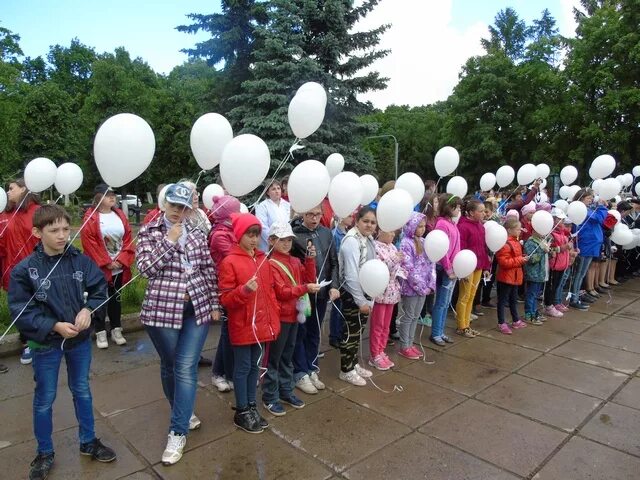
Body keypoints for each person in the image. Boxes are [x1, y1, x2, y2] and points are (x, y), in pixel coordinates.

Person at [9, 205, 116, 480]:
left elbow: (99, 288)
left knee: (81, 389)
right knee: (45, 399)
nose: (61, 235)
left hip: (79, 342)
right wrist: (53, 325)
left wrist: (88, 310)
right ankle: (45, 452)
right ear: (37, 232)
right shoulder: (25, 270)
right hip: (45, 345)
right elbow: (21, 309)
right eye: (53, 230)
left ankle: (88, 440)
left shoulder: (79, 260)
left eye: (66, 229)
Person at [136, 183, 220, 465]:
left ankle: (177, 431)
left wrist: (215, 304)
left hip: (196, 307)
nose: (178, 212)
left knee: (185, 367)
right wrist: (169, 241)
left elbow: (208, 268)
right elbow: (146, 268)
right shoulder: (149, 231)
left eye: (184, 208)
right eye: (174, 206)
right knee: (170, 365)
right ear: (164, 204)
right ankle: (182, 411)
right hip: (162, 312)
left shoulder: (196, 233)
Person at [218, 213, 280, 434]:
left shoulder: (263, 259)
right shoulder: (230, 261)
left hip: (262, 324)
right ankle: (242, 410)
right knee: (243, 367)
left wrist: (275, 315)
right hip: (243, 324)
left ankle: (251, 406)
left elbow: (270, 292)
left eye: (256, 234)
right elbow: (225, 299)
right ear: (239, 235)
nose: (254, 239)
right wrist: (243, 291)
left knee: (255, 366)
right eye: (249, 234)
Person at [262, 222, 319, 416]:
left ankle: (285, 391)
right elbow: (282, 292)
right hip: (280, 317)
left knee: (288, 355)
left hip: (294, 315)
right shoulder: (270, 263)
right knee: (274, 357)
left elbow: (308, 279)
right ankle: (270, 396)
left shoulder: (294, 261)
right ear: (271, 241)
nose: (286, 243)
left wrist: (310, 260)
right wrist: (305, 289)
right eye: (282, 240)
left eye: (289, 240)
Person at [290, 204, 340, 394]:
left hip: (322, 291)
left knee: (315, 331)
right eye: (310, 213)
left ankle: (312, 368)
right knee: (300, 332)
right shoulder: (295, 236)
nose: (314, 218)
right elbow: (293, 266)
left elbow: (334, 262)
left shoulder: (327, 233)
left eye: (318, 214)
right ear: (303, 213)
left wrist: (334, 286)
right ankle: (300, 372)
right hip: (303, 294)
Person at [80, 184, 135, 349]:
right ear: (98, 197)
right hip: (100, 268)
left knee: (115, 299)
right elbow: (89, 243)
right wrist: (106, 262)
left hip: (118, 266)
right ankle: (100, 331)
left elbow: (128, 238)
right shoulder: (91, 217)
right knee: (98, 299)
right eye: (107, 195)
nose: (112, 197)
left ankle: (116, 329)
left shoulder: (119, 215)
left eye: (113, 194)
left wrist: (121, 260)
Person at [0, 178, 40, 365]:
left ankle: (39, 341)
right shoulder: (3, 214)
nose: (8, 192)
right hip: (11, 269)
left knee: (39, 306)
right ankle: (26, 342)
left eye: (11, 188)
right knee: (19, 308)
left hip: (36, 269)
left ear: (24, 189)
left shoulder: (36, 212)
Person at [337, 206, 377, 386]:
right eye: (365, 221)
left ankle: (353, 364)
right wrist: (360, 300)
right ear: (357, 221)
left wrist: (371, 297)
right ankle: (346, 370)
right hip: (352, 294)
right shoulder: (352, 241)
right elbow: (351, 275)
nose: (369, 225)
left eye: (373, 222)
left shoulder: (368, 240)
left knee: (358, 331)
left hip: (365, 293)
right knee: (350, 332)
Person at [208, 195, 242, 393]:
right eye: (235, 210)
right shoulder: (221, 234)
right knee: (229, 333)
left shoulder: (231, 230)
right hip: (226, 287)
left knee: (229, 332)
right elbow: (236, 256)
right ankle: (225, 373)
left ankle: (220, 372)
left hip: (234, 284)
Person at [397, 213, 436, 360]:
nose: (422, 229)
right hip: (411, 288)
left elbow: (431, 262)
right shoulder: (406, 243)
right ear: (411, 226)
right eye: (419, 226)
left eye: (424, 226)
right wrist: (419, 286)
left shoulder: (425, 241)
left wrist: (430, 284)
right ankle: (404, 345)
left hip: (424, 287)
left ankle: (410, 343)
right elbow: (408, 268)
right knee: (409, 316)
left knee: (415, 317)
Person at [369, 229, 405, 370]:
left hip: (392, 291)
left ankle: (381, 350)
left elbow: (396, 267)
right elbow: (380, 268)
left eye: (393, 233)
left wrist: (401, 270)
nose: (393, 235)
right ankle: (374, 354)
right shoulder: (375, 247)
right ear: (380, 232)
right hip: (380, 291)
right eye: (389, 232)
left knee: (386, 325)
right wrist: (395, 259)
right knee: (378, 325)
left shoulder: (393, 247)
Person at [455, 199, 491, 338]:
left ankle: (467, 324)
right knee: (464, 296)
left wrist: (486, 266)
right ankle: (461, 326)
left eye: (484, 211)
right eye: (480, 211)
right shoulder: (463, 227)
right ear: (471, 212)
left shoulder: (481, 227)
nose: (484, 213)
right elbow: (461, 249)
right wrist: (463, 269)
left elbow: (483, 248)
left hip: (479, 266)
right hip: (468, 266)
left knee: (471, 295)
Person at [430, 194, 461, 347]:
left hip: (453, 268)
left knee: (446, 301)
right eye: (458, 206)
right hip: (445, 269)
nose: (460, 209)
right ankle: (436, 332)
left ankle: (441, 331)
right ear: (450, 208)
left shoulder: (452, 223)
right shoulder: (442, 224)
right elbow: (442, 250)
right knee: (441, 302)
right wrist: (449, 269)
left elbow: (457, 247)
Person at [569, 188, 607, 309]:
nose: (591, 200)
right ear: (581, 198)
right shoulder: (582, 210)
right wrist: (601, 207)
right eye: (588, 198)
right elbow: (599, 218)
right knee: (579, 273)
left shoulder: (589, 209)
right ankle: (574, 299)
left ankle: (577, 296)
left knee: (582, 273)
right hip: (585, 244)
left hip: (591, 245)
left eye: (591, 198)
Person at [495, 217, 529, 334]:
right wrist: (520, 260)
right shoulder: (505, 244)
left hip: (515, 276)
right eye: (518, 229)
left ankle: (515, 320)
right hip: (506, 277)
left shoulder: (515, 242)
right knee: (502, 300)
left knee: (513, 300)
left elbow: (515, 257)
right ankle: (501, 322)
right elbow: (504, 262)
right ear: (509, 230)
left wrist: (522, 257)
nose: (520, 231)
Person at [329, 214, 353, 347]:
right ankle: (334, 335)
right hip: (338, 275)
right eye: (348, 215)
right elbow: (334, 256)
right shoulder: (335, 234)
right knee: (337, 307)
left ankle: (340, 332)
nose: (351, 218)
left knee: (343, 306)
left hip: (345, 274)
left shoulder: (347, 233)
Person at [544, 207, 572, 316]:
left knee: (556, 285)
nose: (562, 222)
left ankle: (552, 304)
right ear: (554, 219)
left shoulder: (562, 233)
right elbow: (549, 249)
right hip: (554, 265)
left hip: (561, 264)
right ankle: (548, 305)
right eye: (560, 219)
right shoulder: (550, 233)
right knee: (551, 286)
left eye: (562, 220)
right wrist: (563, 248)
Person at [523, 228, 550, 325]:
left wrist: (549, 252)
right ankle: (529, 314)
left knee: (535, 294)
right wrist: (543, 251)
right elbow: (531, 259)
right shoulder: (530, 242)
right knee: (531, 294)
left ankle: (535, 312)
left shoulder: (542, 241)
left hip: (540, 273)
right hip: (533, 273)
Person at [255, 179, 290, 251]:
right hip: (270, 245)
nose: (277, 191)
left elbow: (290, 222)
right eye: (273, 189)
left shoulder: (287, 205)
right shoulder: (263, 206)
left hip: (286, 242)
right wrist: (275, 240)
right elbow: (262, 226)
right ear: (268, 192)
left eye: (278, 188)